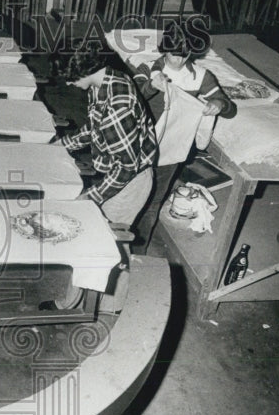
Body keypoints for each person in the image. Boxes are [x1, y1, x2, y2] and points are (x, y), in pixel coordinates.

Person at [130, 27, 237, 249]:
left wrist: (218, 104)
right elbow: (131, 98)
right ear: (164, 50)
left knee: (153, 201)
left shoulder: (200, 77)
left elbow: (230, 108)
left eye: (185, 55)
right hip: (138, 144)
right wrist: (151, 86)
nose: (179, 60)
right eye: (173, 54)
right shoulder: (147, 68)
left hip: (171, 149)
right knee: (129, 197)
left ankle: (138, 251)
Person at [53, 50, 158, 231]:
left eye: (70, 78)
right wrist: (59, 146)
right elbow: (95, 127)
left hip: (130, 182)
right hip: (119, 173)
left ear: (84, 70)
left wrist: (90, 196)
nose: (69, 83)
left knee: (103, 233)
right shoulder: (106, 81)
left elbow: (127, 167)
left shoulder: (117, 106)